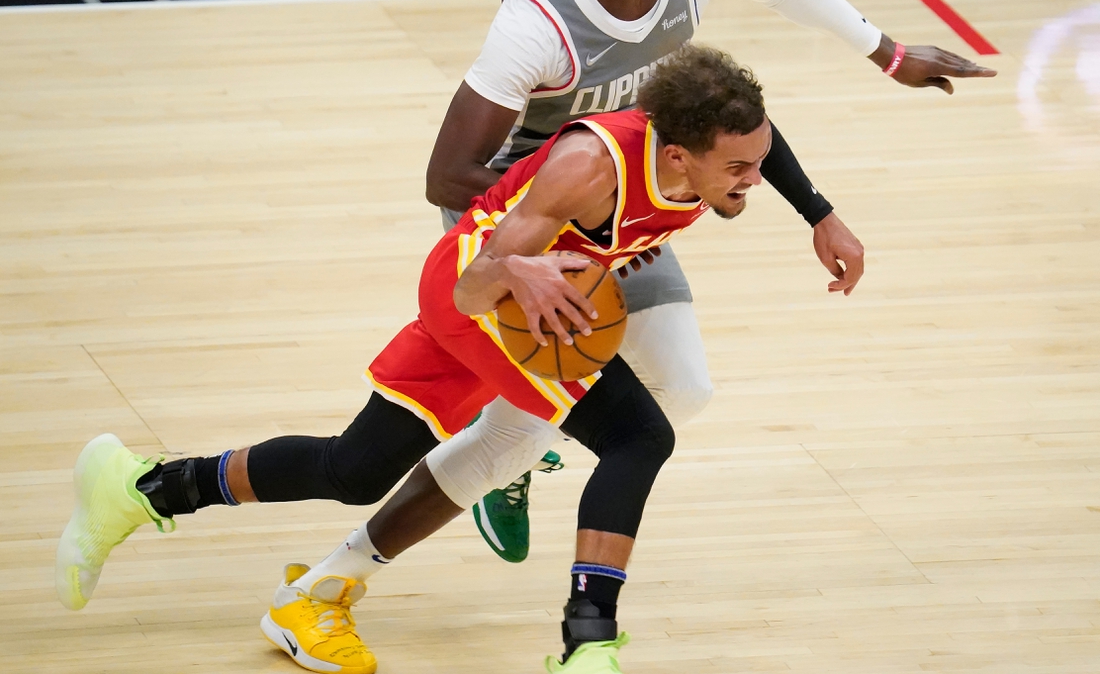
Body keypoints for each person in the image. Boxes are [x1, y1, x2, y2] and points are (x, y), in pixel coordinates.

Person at [61, 45, 789, 674]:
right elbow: (479, 279)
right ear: (677, 155)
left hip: (491, 298)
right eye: (742, 167)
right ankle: (588, 639)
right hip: (480, 292)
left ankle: (143, 486)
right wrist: (521, 270)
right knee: (639, 435)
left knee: (356, 467)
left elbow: (764, 141)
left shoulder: (708, 150)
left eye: (756, 161)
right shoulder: (591, 165)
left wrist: (819, 213)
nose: (754, 177)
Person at [426, 0, 997, 563]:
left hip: (621, 208)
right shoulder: (536, 25)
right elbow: (448, 174)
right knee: (533, 414)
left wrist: (886, 59)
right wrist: (588, 233)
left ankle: (521, 447)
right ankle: (498, 463)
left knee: (686, 388)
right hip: (518, 223)